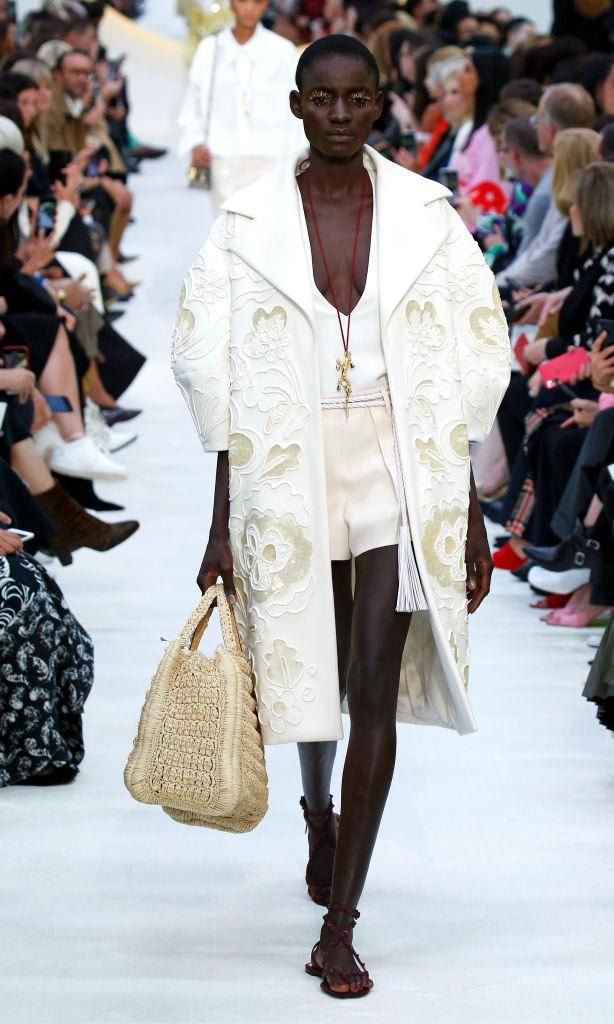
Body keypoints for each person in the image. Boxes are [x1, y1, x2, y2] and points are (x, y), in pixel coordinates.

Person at [172, 34, 510, 998]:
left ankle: (341, 923)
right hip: (292, 460)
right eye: (322, 99)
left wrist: (470, 506)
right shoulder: (245, 222)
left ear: (378, 108)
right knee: (312, 664)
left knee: (369, 676)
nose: (338, 115)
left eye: (357, 99)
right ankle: (317, 805)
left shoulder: (426, 216)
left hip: (400, 464)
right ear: (295, 105)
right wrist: (219, 521)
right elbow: (217, 367)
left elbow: (470, 353)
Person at [177, 0, 304, 211]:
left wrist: (296, 164)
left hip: (271, 163)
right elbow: (193, 106)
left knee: (265, 237)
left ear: (265, 5)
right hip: (223, 162)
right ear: (230, 3)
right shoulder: (210, 50)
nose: (249, 8)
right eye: (242, 1)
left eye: (256, 2)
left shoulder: (283, 52)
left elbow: (296, 114)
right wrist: (194, 144)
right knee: (228, 236)